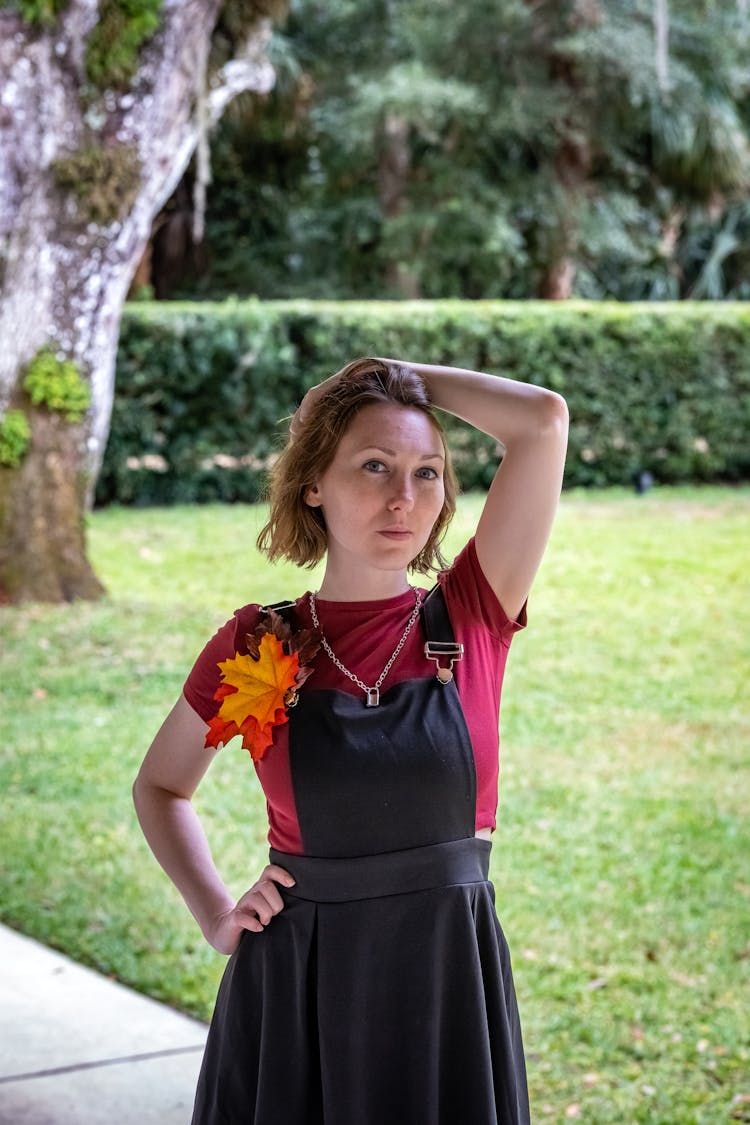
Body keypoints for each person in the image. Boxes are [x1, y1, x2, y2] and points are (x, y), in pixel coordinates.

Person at [133, 355, 568, 1125]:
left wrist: (394, 375)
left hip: (446, 984)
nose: (405, 497)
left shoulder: (472, 612)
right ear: (314, 484)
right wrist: (214, 912)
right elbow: (162, 787)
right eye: (374, 465)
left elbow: (541, 423)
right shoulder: (260, 642)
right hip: (300, 987)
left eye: (427, 472)